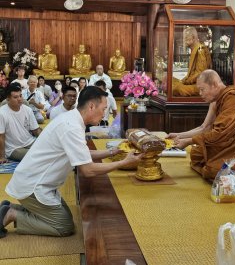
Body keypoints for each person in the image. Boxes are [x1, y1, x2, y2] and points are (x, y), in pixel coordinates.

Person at [0, 86, 142, 238]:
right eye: (103, 108)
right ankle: (11, 214)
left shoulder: (73, 119)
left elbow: (81, 154)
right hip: (33, 185)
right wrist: (122, 163)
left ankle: (9, 208)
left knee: (65, 216)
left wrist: (113, 152)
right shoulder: (71, 126)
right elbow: (87, 170)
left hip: (35, 179)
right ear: (91, 106)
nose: (105, 113)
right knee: (64, 226)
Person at [167, 69, 235, 180]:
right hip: (227, 142)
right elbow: (206, 127)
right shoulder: (217, 99)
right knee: (196, 154)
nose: (200, 94)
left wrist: (189, 141)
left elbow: (221, 132)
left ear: (214, 85)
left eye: (202, 89)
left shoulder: (233, 98)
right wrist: (179, 135)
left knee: (212, 169)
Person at [0, 84, 41, 163]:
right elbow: (1, 137)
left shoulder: (27, 110)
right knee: (34, 156)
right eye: (15, 97)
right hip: (14, 148)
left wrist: (45, 140)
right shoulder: (1, 113)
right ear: (8, 99)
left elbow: (36, 130)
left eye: (20, 96)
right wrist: (2, 157)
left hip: (30, 141)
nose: (19, 99)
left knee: (49, 150)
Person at [172, 27, 212, 96]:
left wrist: (186, 81)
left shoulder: (200, 50)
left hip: (199, 86)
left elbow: (200, 73)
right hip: (192, 83)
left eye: (186, 37)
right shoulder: (194, 50)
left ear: (193, 38)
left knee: (177, 88)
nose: (184, 40)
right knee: (171, 81)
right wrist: (183, 80)